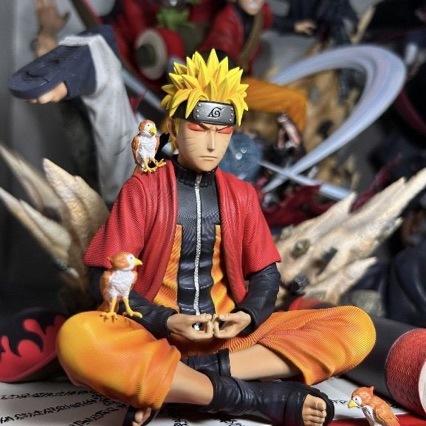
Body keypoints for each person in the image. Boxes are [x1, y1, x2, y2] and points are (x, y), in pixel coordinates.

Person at [55, 49, 376, 426]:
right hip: (154, 337)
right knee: (78, 337)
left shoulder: (241, 195)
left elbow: (266, 275)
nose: (211, 144)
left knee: (357, 327)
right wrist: (166, 321)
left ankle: (188, 380)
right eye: (199, 128)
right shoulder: (143, 190)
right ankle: (253, 398)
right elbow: (105, 278)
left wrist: (245, 316)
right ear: (174, 127)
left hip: (230, 340)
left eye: (222, 131)